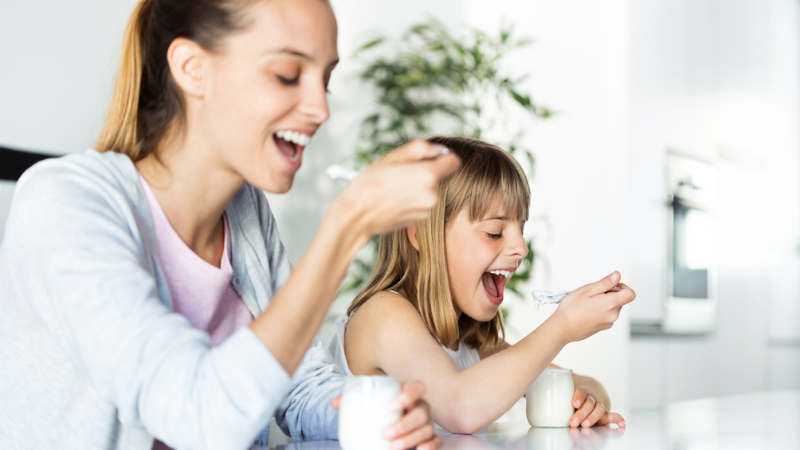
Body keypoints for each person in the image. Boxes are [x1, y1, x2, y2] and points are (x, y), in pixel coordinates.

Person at [0, 1, 461, 449]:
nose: (320, 109)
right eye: (287, 75)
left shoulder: (246, 213)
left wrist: (369, 417)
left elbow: (297, 387)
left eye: (326, 80)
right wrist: (348, 225)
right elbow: (198, 415)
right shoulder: (64, 202)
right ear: (192, 68)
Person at [329, 136, 635, 434]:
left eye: (521, 228)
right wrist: (563, 325)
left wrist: (589, 400)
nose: (521, 248)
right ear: (420, 234)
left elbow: (583, 384)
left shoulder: (472, 345)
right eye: (494, 231)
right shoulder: (381, 314)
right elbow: (461, 408)